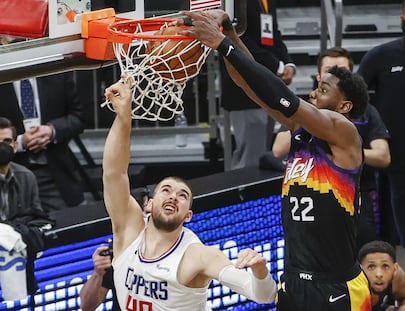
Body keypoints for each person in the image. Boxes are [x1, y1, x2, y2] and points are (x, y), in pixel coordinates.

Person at [178, 10, 372, 310]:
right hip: (293, 280)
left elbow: (283, 96)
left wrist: (222, 44)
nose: (313, 93)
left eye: (322, 89)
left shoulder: (345, 133)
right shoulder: (300, 130)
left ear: (345, 104)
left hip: (335, 286)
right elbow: (250, 83)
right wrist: (230, 34)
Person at [102, 77, 277, 310]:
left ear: (188, 216)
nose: (173, 196)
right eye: (166, 190)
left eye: (182, 195)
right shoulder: (129, 231)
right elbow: (114, 172)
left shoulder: (198, 255)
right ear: (149, 204)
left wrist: (260, 270)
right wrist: (124, 117)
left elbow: (264, 295)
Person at [270, 47, 391, 249]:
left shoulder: (367, 112)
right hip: (311, 211)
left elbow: (383, 155)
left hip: (355, 199)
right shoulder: (305, 110)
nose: (335, 73)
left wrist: (345, 150)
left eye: (341, 70)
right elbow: (278, 148)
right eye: (329, 70)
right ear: (319, 76)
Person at [357, 0, 405, 264]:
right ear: (402, 15)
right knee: (402, 234)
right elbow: (354, 98)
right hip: (399, 160)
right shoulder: (381, 56)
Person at [220, 0, 296, 169]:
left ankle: (255, 194)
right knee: (249, 158)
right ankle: (242, 195)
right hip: (245, 92)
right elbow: (239, 40)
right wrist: (277, 66)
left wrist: (288, 62)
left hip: (268, 86)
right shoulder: (237, 3)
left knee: (261, 154)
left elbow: (273, 33)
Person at [0, 72, 86, 212]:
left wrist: (52, 131)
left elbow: (78, 117)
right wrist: (19, 142)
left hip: (53, 171)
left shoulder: (57, 73)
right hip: (9, 174)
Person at [0, 117, 54, 301]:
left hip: (19, 258)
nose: (2, 146)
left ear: (15, 145)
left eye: (7, 141)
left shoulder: (27, 177)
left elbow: (37, 217)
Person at [79, 187, 150, 311]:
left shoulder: (178, 246)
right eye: (145, 211)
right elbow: (87, 306)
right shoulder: (118, 251)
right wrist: (98, 273)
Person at [359, 240, 405, 310]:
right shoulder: (351, 288)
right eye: (371, 266)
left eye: (385, 266)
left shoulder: (396, 278)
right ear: (360, 269)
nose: (379, 274)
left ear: (395, 268)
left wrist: (404, 309)